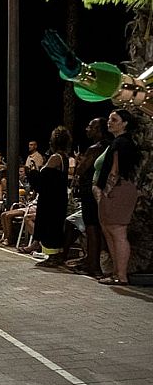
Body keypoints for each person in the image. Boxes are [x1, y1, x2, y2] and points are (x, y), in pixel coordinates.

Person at [93, 109, 140, 285]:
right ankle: (116, 273)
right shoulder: (119, 141)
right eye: (110, 119)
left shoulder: (122, 142)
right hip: (115, 190)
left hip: (118, 191)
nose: (109, 122)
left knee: (117, 231)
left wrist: (105, 191)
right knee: (109, 230)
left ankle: (121, 275)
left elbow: (115, 170)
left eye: (114, 119)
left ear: (124, 123)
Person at [68, 117, 111, 276]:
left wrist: (80, 161)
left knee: (92, 227)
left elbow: (81, 170)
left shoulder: (95, 148)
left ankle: (93, 265)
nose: (87, 129)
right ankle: (93, 262)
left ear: (98, 130)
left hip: (90, 191)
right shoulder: (109, 146)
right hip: (103, 191)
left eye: (90, 127)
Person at [27, 125, 71, 268]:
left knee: (50, 225)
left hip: (51, 199)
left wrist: (33, 172)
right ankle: (55, 255)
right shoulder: (64, 157)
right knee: (55, 225)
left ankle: (53, 256)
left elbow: (45, 179)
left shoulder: (56, 158)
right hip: (58, 197)